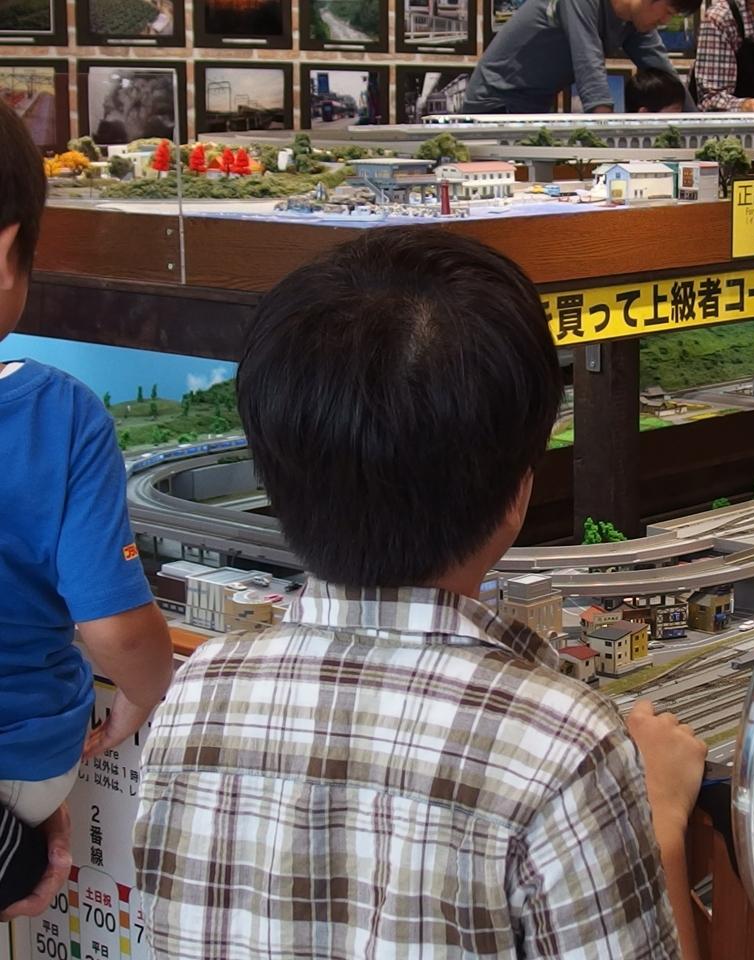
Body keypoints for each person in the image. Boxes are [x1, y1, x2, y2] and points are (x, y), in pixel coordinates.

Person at [133, 227, 708, 959]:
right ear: (518, 493)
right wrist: (660, 820)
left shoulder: (196, 694)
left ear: (272, 481)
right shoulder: (563, 748)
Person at [0, 99, 173, 917]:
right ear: (7, 252)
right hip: (22, 759)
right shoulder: (56, 414)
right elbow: (116, 631)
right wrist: (144, 690)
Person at [462, 0, 697, 114]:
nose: (665, 21)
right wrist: (609, 141)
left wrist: (700, 131)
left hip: (534, 108)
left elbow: (663, 69)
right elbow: (589, 66)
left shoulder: (633, 22)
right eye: (668, 12)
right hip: (495, 103)